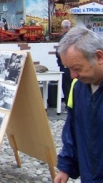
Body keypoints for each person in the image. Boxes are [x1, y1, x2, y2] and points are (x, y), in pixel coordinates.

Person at [54, 27, 103, 182]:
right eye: (68, 69)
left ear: (99, 57)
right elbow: (73, 129)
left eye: (76, 68)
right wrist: (65, 166)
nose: (72, 75)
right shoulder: (78, 87)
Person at [55, 19, 72, 106]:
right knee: (73, 86)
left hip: (65, 66)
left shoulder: (64, 38)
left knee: (66, 87)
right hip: (73, 66)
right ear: (69, 27)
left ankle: (68, 106)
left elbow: (59, 53)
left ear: (63, 28)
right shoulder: (74, 37)